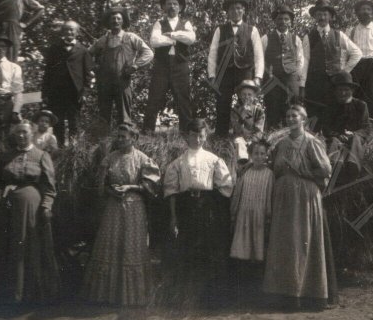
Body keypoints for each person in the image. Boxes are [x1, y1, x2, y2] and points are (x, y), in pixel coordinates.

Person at [263, 104, 338, 311]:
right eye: (287, 116)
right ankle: (283, 294)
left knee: (302, 240)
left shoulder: (312, 142)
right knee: (285, 242)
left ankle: (309, 295)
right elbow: (274, 168)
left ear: (303, 120)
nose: (290, 119)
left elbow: (325, 169)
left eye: (294, 116)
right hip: (283, 197)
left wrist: (303, 171)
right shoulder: (281, 144)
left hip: (304, 195)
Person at [81, 123, 160, 307]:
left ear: (134, 138)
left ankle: (134, 297)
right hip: (113, 207)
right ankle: (108, 295)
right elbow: (100, 185)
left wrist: (130, 187)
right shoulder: (109, 158)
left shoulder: (142, 159)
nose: (121, 139)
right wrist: (110, 190)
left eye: (124, 136)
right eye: (119, 136)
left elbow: (150, 187)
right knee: (111, 246)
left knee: (131, 247)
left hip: (134, 208)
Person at [163, 118, 234, 309]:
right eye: (193, 135)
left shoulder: (213, 160)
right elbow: (171, 191)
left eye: (200, 135)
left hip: (207, 207)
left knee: (208, 250)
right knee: (187, 249)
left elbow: (226, 187)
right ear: (187, 136)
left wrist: (211, 205)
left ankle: (209, 299)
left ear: (205, 136)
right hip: (186, 207)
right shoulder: (177, 163)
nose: (197, 139)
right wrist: (174, 217)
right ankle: (186, 298)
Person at [0, 121, 59, 304]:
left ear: (32, 134)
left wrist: (47, 206)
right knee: (8, 244)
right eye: (18, 133)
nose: (21, 136)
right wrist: (7, 188)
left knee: (27, 244)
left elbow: (50, 187)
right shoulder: (6, 156)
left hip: (31, 205)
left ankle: (30, 293)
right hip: (8, 204)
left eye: (24, 133)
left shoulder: (41, 155)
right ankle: (10, 292)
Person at [208, 0, 264, 137]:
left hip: (245, 72)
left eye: (239, 8)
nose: (235, 11)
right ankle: (221, 137)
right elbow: (213, 53)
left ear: (243, 10)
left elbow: (258, 55)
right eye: (232, 9)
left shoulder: (252, 30)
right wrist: (212, 75)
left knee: (246, 105)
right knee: (222, 103)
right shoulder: (220, 29)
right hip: (224, 73)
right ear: (228, 12)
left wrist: (257, 76)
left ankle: (246, 137)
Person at [89, 6, 154, 131]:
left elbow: (149, 53)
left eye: (118, 19)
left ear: (123, 21)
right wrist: (94, 68)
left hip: (123, 81)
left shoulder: (130, 37)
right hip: (104, 82)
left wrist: (135, 66)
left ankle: (125, 144)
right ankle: (103, 144)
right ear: (109, 22)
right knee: (103, 116)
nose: (115, 21)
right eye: (113, 19)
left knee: (124, 117)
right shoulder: (103, 40)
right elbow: (87, 55)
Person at [142, 0, 196, 133]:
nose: (172, 6)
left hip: (180, 65)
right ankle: (147, 132)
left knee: (183, 99)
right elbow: (154, 41)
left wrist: (172, 35)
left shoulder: (186, 23)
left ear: (180, 7)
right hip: (162, 66)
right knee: (154, 97)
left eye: (175, 4)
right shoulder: (159, 24)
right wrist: (178, 38)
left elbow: (191, 39)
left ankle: (186, 133)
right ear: (164, 7)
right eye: (169, 4)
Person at [229, 139, 274, 305]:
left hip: (260, 217)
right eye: (256, 153)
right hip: (244, 216)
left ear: (267, 156)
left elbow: (269, 196)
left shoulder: (269, 174)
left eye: (263, 154)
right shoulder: (245, 173)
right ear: (250, 155)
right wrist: (234, 214)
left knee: (258, 252)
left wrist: (268, 216)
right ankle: (242, 294)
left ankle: (257, 294)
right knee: (243, 253)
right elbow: (237, 195)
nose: (259, 157)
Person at [301, 0, 362, 121]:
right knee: (315, 111)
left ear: (330, 17)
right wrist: (302, 84)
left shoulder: (339, 35)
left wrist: (344, 72)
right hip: (315, 82)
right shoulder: (308, 37)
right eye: (319, 15)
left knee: (334, 111)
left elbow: (357, 53)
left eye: (325, 14)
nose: (322, 17)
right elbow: (305, 61)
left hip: (334, 83)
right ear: (315, 17)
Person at [42, 20, 95, 144]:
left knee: (74, 122)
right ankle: (59, 148)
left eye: (72, 29)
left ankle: (73, 151)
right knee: (57, 122)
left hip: (74, 93)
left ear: (77, 32)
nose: (69, 32)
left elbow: (89, 74)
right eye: (66, 29)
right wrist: (45, 93)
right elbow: (47, 72)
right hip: (56, 92)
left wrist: (85, 92)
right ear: (62, 32)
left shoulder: (82, 50)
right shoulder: (54, 49)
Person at [320, 72, 370, 178]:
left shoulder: (361, 105)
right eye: (340, 90)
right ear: (335, 91)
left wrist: (353, 134)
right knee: (333, 141)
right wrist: (338, 135)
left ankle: (353, 164)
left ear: (352, 90)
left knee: (356, 139)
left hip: (355, 138)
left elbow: (366, 128)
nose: (343, 93)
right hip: (337, 138)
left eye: (346, 90)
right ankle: (332, 164)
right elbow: (326, 127)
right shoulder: (331, 107)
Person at [261, 4, 304, 129]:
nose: (283, 22)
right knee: (273, 107)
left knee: (292, 108)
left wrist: (295, 76)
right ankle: (273, 138)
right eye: (280, 19)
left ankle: (292, 135)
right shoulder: (266, 38)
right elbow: (259, 59)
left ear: (290, 22)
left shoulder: (296, 39)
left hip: (291, 80)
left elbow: (300, 60)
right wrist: (267, 73)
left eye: (286, 19)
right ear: (275, 21)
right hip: (272, 79)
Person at [230, 80, 265, 163]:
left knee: (255, 147)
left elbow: (259, 130)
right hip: (239, 137)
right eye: (244, 94)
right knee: (238, 141)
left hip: (253, 139)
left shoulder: (258, 111)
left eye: (249, 95)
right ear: (240, 96)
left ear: (254, 96)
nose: (246, 97)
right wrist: (241, 118)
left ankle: (251, 164)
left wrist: (251, 140)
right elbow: (236, 129)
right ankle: (243, 163)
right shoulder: (235, 110)